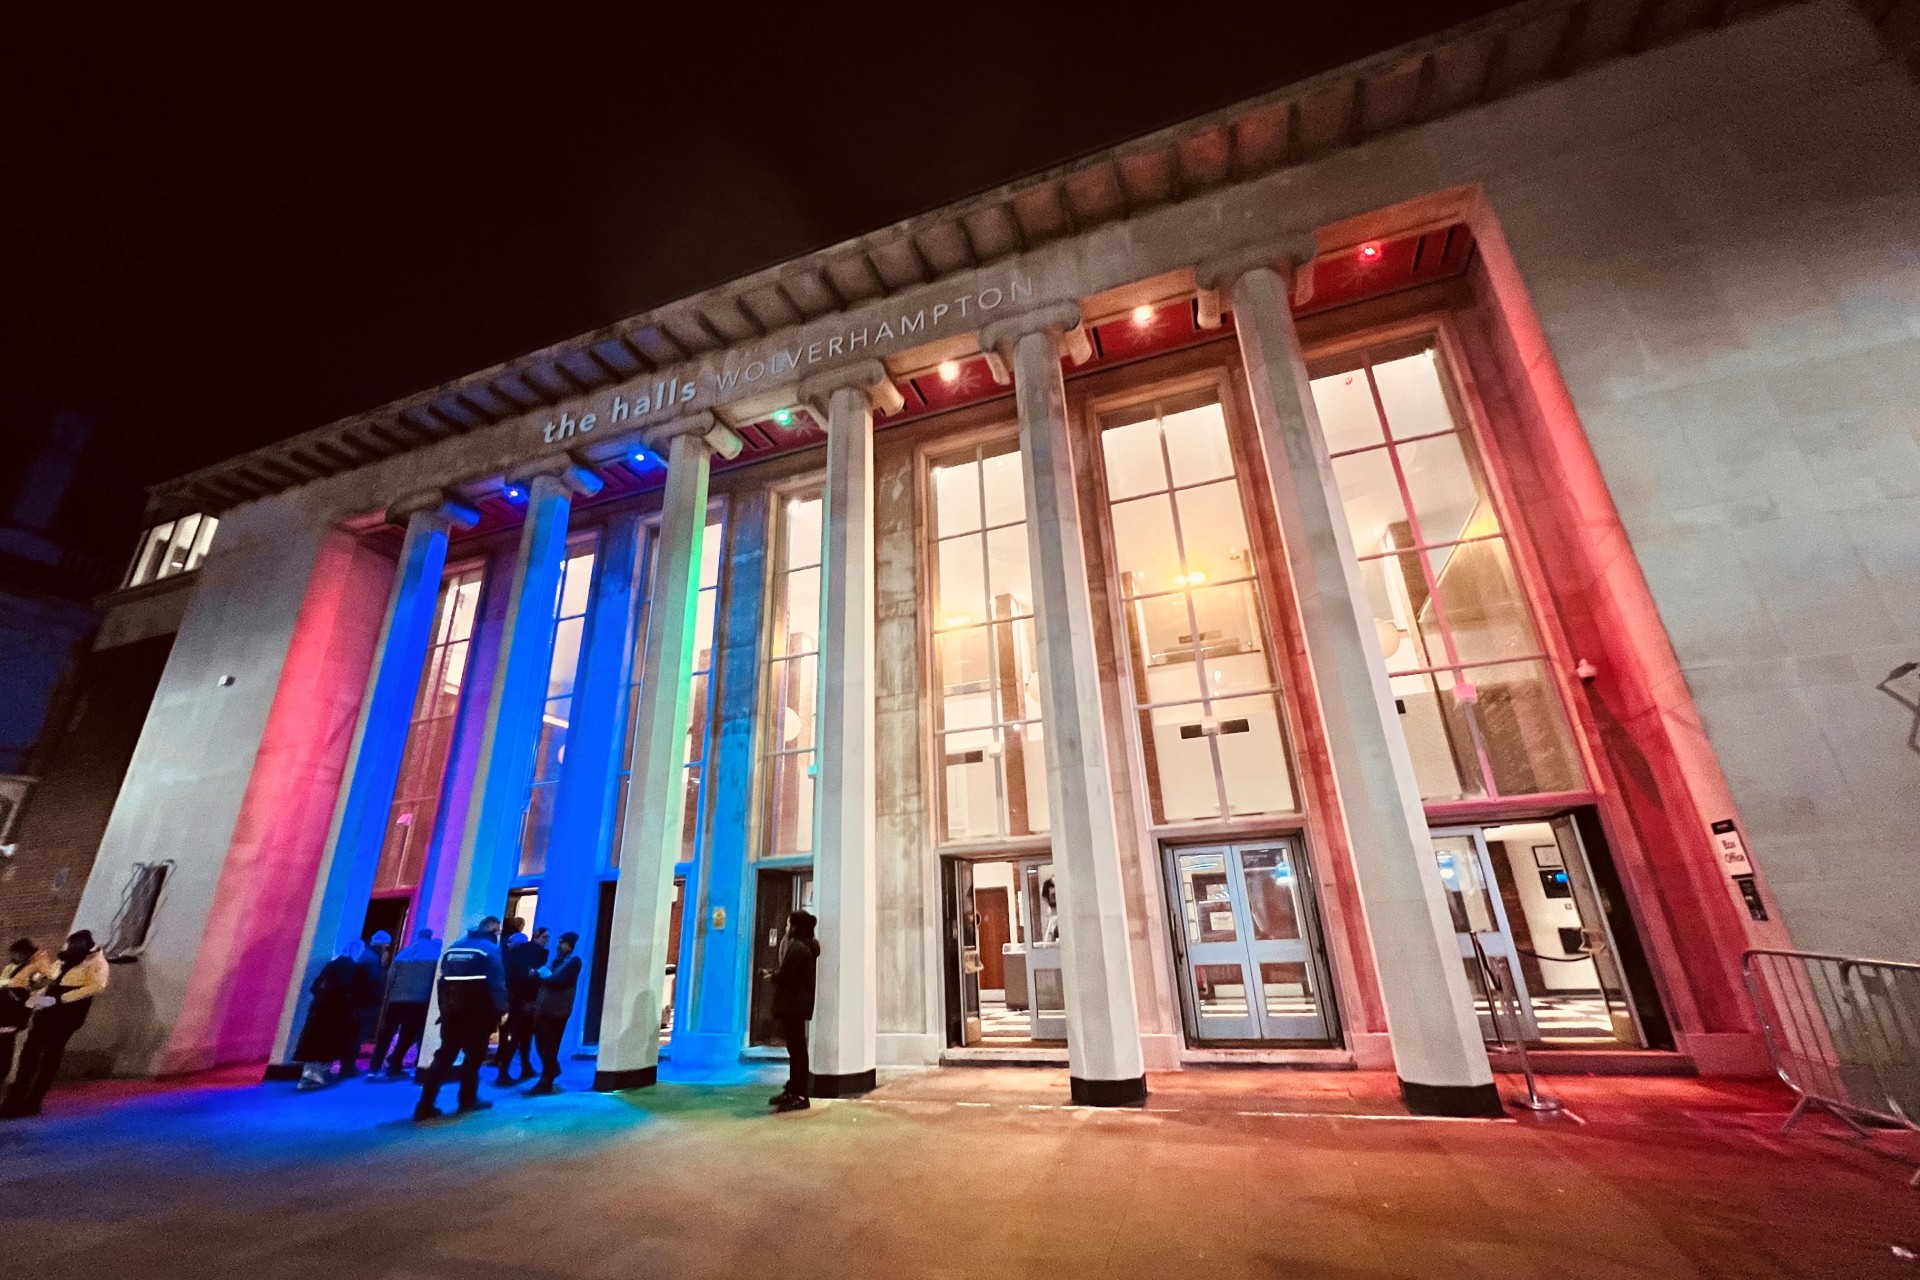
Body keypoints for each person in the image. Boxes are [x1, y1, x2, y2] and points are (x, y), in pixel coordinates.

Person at [1, 930, 109, 1118]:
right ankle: (14, 1100)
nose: (70, 948)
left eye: (75, 945)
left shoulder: (96, 963)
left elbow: (97, 986)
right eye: (70, 944)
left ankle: (33, 1102)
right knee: (29, 1054)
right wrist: (38, 996)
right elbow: (50, 979)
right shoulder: (62, 960)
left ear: (85, 945)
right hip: (47, 1009)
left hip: (69, 1013)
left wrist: (62, 999)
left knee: (50, 1056)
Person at [413, 916, 506, 1121]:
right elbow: (497, 984)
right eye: (497, 932)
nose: (499, 935)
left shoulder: (454, 947)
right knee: (473, 1058)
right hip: (478, 1013)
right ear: (492, 931)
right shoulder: (489, 950)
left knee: (444, 1056)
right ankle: (467, 1100)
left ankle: (425, 1104)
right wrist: (502, 1011)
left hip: (452, 1013)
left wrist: (444, 1010)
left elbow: (442, 982)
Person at [293, 947, 370, 1090]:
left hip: (320, 1008)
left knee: (314, 1039)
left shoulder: (331, 965)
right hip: (340, 1010)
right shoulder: (356, 969)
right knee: (330, 1041)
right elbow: (359, 992)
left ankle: (308, 1072)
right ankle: (320, 1074)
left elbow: (315, 986)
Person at [369, 928, 439, 1079]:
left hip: (396, 999)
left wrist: (388, 997)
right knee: (409, 1034)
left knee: (386, 1033)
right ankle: (400, 1064)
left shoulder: (404, 953)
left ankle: (375, 1065)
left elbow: (391, 977)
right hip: (420, 1000)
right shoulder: (435, 953)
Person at [768, 910, 818, 1113]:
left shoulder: (798, 947)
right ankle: (794, 1090)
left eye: (789, 924)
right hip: (797, 1004)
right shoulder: (807, 946)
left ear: (796, 926)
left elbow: (786, 975)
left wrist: (773, 975)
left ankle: (799, 1094)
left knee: (796, 1050)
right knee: (795, 1048)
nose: (787, 928)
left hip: (793, 1004)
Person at [527, 931, 581, 1095]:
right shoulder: (556, 961)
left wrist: (541, 976)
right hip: (544, 1007)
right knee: (541, 1043)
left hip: (558, 1010)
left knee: (550, 1044)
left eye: (563, 942)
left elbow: (557, 980)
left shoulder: (573, 961)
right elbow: (544, 975)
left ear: (570, 945)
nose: (559, 945)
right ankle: (551, 1069)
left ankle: (546, 1080)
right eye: (559, 942)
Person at [496, 925, 549, 1086]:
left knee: (523, 1035)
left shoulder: (514, 955)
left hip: (515, 999)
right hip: (526, 1000)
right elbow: (534, 976)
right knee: (521, 1035)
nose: (546, 942)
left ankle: (523, 1067)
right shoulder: (536, 953)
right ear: (537, 936)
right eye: (545, 938)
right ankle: (505, 1072)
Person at [1, 939, 51, 1087]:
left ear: (24, 953)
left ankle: (3, 1075)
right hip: (4, 1008)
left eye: (16, 953)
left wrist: (28, 993)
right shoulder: (12, 967)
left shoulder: (37, 966)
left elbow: (47, 980)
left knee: (6, 1046)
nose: (13, 956)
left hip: (14, 1012)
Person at [353, 931, 391, 1068]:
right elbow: (374, 982)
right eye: (387, 947)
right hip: (366, 1002)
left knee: (354, 1032)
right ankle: (349, 1065)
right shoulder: (374, 960)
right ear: (382, 946)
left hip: (357, 1001)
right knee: (359, 1033)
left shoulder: (363, 954)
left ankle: (348, 1063)